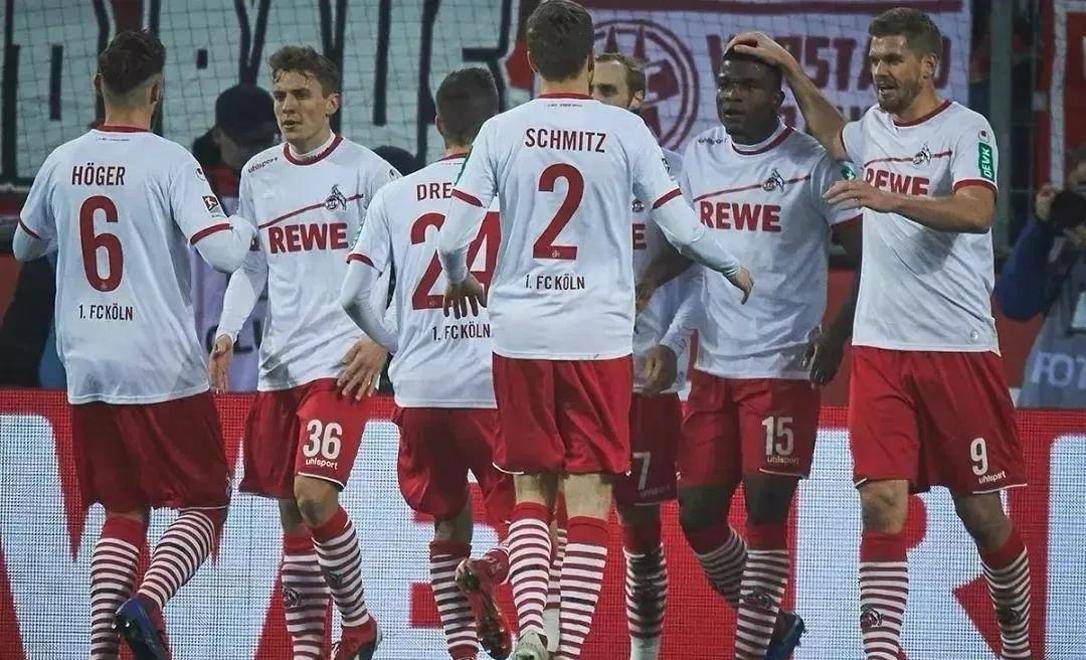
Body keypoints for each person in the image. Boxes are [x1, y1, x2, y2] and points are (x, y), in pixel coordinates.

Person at [437, 2, 753, 658]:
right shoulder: (626, 130)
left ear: (529, 59)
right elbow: (681, 228)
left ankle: (533, 629)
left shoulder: (500, 130)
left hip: (520, 333)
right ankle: (567, 649)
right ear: (588, 59)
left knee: (530, 486)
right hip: (600, 336)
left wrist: (460, 275)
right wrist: (731, 265)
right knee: (589, 495)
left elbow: (451, 237)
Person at [731, 8, 1032, 659]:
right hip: (880, 352)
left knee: (982, 516)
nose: (881, 71)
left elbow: (978, 211)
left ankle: (1015, 643)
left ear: (929, 64)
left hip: (957, 348)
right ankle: (881, 653)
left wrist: (894, 199)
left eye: (893, 59)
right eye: (874, 61)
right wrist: (789, 67)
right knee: (881, 503)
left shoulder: (967, 128)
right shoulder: (871, 129)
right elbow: (831, 130)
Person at [12, 30, 255, 659]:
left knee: (122, 511)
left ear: (98, 85)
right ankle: (146, 603)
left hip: (87, 367)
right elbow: (224, 254)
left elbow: (23, 246)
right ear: (158, 91)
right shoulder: (170, 161)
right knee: (206, 502)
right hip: (160, 365)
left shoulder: (62, 160)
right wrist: (247, 221)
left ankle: (99, 650)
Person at [661, 47, 863, 660]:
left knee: (766, 511)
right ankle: (774, 629)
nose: (732, 96)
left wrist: (836, 334)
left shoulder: (812, 162)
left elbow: (870, 256)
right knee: (697, 515)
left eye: (747, 87)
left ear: (779, 97)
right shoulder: (699, 155)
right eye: (726, 86)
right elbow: (688, 243)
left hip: (782, 369)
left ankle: (750, 651)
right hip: (712, 367)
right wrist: (646, 287)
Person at [209, 46, 398, 660]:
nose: (288, 106)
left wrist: (382, 339)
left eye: (301, 95)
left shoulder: (370, 174)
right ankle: (309, 651)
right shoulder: (259, 173)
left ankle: (360, 623)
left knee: (315, 496)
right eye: (281, 95)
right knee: (291, 516)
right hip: (279, 368)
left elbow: (408, 265)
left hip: (340, 365)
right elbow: (252, 265)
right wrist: (228, 331)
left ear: (331, 102)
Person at [339, 66, 515, 660]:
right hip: (493, 388)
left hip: (420, 392)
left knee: (447, 523)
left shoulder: (395, 195)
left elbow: (352, 296)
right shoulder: (512, 190)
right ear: (497, 123)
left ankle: (461, 652)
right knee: (541, 520)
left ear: (438, 123)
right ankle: (491, 567)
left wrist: (396, 344)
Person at [588, 51, 699, 660]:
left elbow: (702, 271)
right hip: (577, 372)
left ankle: (644, 652)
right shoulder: (562, 170)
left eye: (609, 90)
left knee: (641, 532)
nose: (596, 100)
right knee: (555, 516)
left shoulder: (674, 172)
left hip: (644, 379)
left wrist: (671, 343)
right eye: (590, 89)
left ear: (637, 99)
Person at [190, 83, 277, 391]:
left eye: (264, 141)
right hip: (210, 354)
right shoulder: (193, 194)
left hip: (268, 357)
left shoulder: (289, 190)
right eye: (246, 142)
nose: (256, 152)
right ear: (218, 135)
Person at [996, 145, 1086, 408]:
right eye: (1080, 187)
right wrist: (1040, 226)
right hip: (1048, 403)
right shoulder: (1060, 243)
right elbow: (1016, 305)